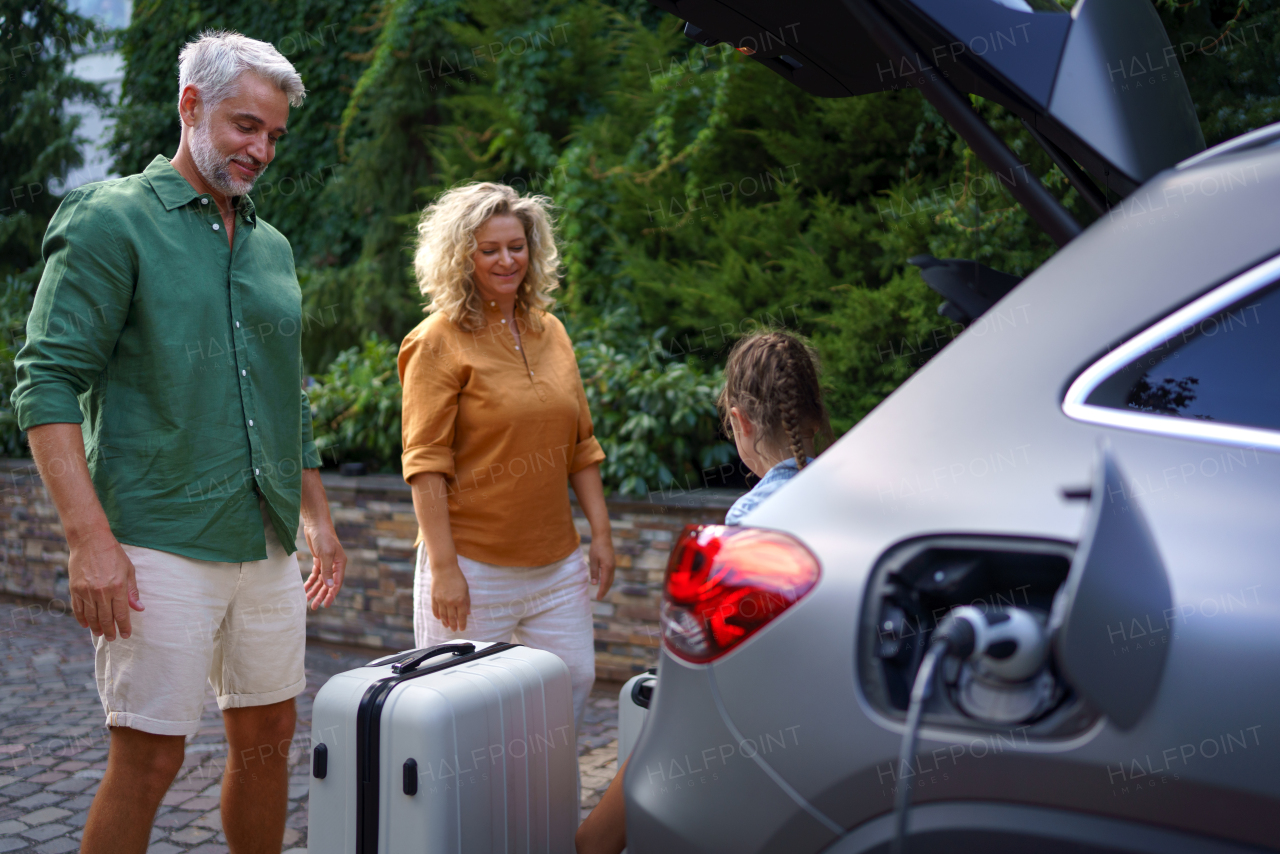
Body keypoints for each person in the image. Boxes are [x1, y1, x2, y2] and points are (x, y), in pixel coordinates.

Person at [12, 31, 347, 854]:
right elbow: (44, 383)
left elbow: (284, 395)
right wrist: (89, 539)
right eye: (245, 126)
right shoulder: (111, 219)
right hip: (156, 533)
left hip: (264, 536)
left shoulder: (271, 247)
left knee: (270, 738)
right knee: (151, 755)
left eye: (273, 135)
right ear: (190, 105)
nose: (261, 149)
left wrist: (318, 516)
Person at [574, 329, 830, 854]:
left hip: (751, 726)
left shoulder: (750, 518)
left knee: (592, 839)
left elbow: (709, 665)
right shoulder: (846, 495)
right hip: (821, 723)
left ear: (740, 422)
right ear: (814, 415)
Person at [398, 182, 615, 743]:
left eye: (516, 245)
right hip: (473, 567)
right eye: (489, 248)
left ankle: (540, 824)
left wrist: (602, 535)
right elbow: (425, 465)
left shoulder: (552, 330)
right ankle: (471, 829)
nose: (506, 260)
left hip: (557, 566)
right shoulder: (436, 341)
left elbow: (581, 445)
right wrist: (445, 568)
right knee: (460, 720)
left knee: (567, 694)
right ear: (461, 256)